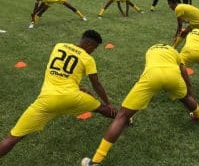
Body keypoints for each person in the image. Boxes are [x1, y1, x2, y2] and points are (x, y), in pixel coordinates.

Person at [81, 44, 199, 166]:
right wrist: (189, 89)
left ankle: (95, 162)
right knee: (185, 97)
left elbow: (147, 70)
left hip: (152, 76)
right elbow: (184, 71)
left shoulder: (150, 50)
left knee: (122, 116)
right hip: (173, 76)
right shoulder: (174, 51)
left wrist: (143, 86)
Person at [0, 30, 117, 158]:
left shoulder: (59, 46)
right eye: (93, 49)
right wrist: (108, 103)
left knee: (13, 137)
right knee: (101, 108)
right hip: (72, 97)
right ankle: (124, 119)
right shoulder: (88, 59)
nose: (92, 51)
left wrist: (79, 87)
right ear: (89, 44)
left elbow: (60, 71)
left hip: (46, 100)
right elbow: (96, 84)